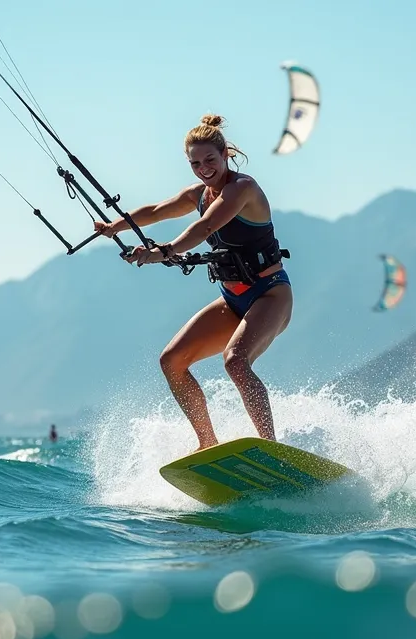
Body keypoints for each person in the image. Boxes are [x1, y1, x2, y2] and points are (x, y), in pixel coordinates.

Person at [94, 114, 292, 451]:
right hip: (232, 300)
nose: (203, 168)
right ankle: (207, 444)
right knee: (172, 361)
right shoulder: (197, 194)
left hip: (270, 294)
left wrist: (162, 252)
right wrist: (116, 226)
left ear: (226, 154)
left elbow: (203, 229)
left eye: (210, 160)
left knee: (236, 361)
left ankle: (271, 448)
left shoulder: (242, 189)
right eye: (195, 163)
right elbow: (156, 211)